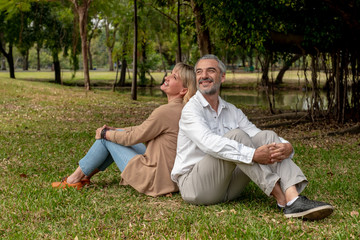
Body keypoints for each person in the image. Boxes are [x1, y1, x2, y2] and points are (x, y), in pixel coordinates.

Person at [171, 54, 334, 220]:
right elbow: (208, 143)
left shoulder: (232, 110)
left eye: (210, 71)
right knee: (236, 136)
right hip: (196, 187)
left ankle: (293, 198)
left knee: (267, 136)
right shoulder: (191, 110)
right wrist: (253, 154)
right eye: (199, 72)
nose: (204, 76)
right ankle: (282, 199)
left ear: (223, 76)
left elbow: (256, 133)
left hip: (227, 188)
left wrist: (287, 146)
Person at [52, 62, 196, 197]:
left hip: (155, 180)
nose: (167, 77)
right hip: (169, 179)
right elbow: (141, 129)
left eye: (174, 77)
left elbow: (134, 137)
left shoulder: (165, 112)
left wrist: (105, 133)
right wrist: (115, 129)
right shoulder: (183, 110)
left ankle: (73, 180)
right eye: (170, 74)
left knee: (106, 140)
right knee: (115, 135)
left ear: (184, 90)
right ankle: (84, 177)